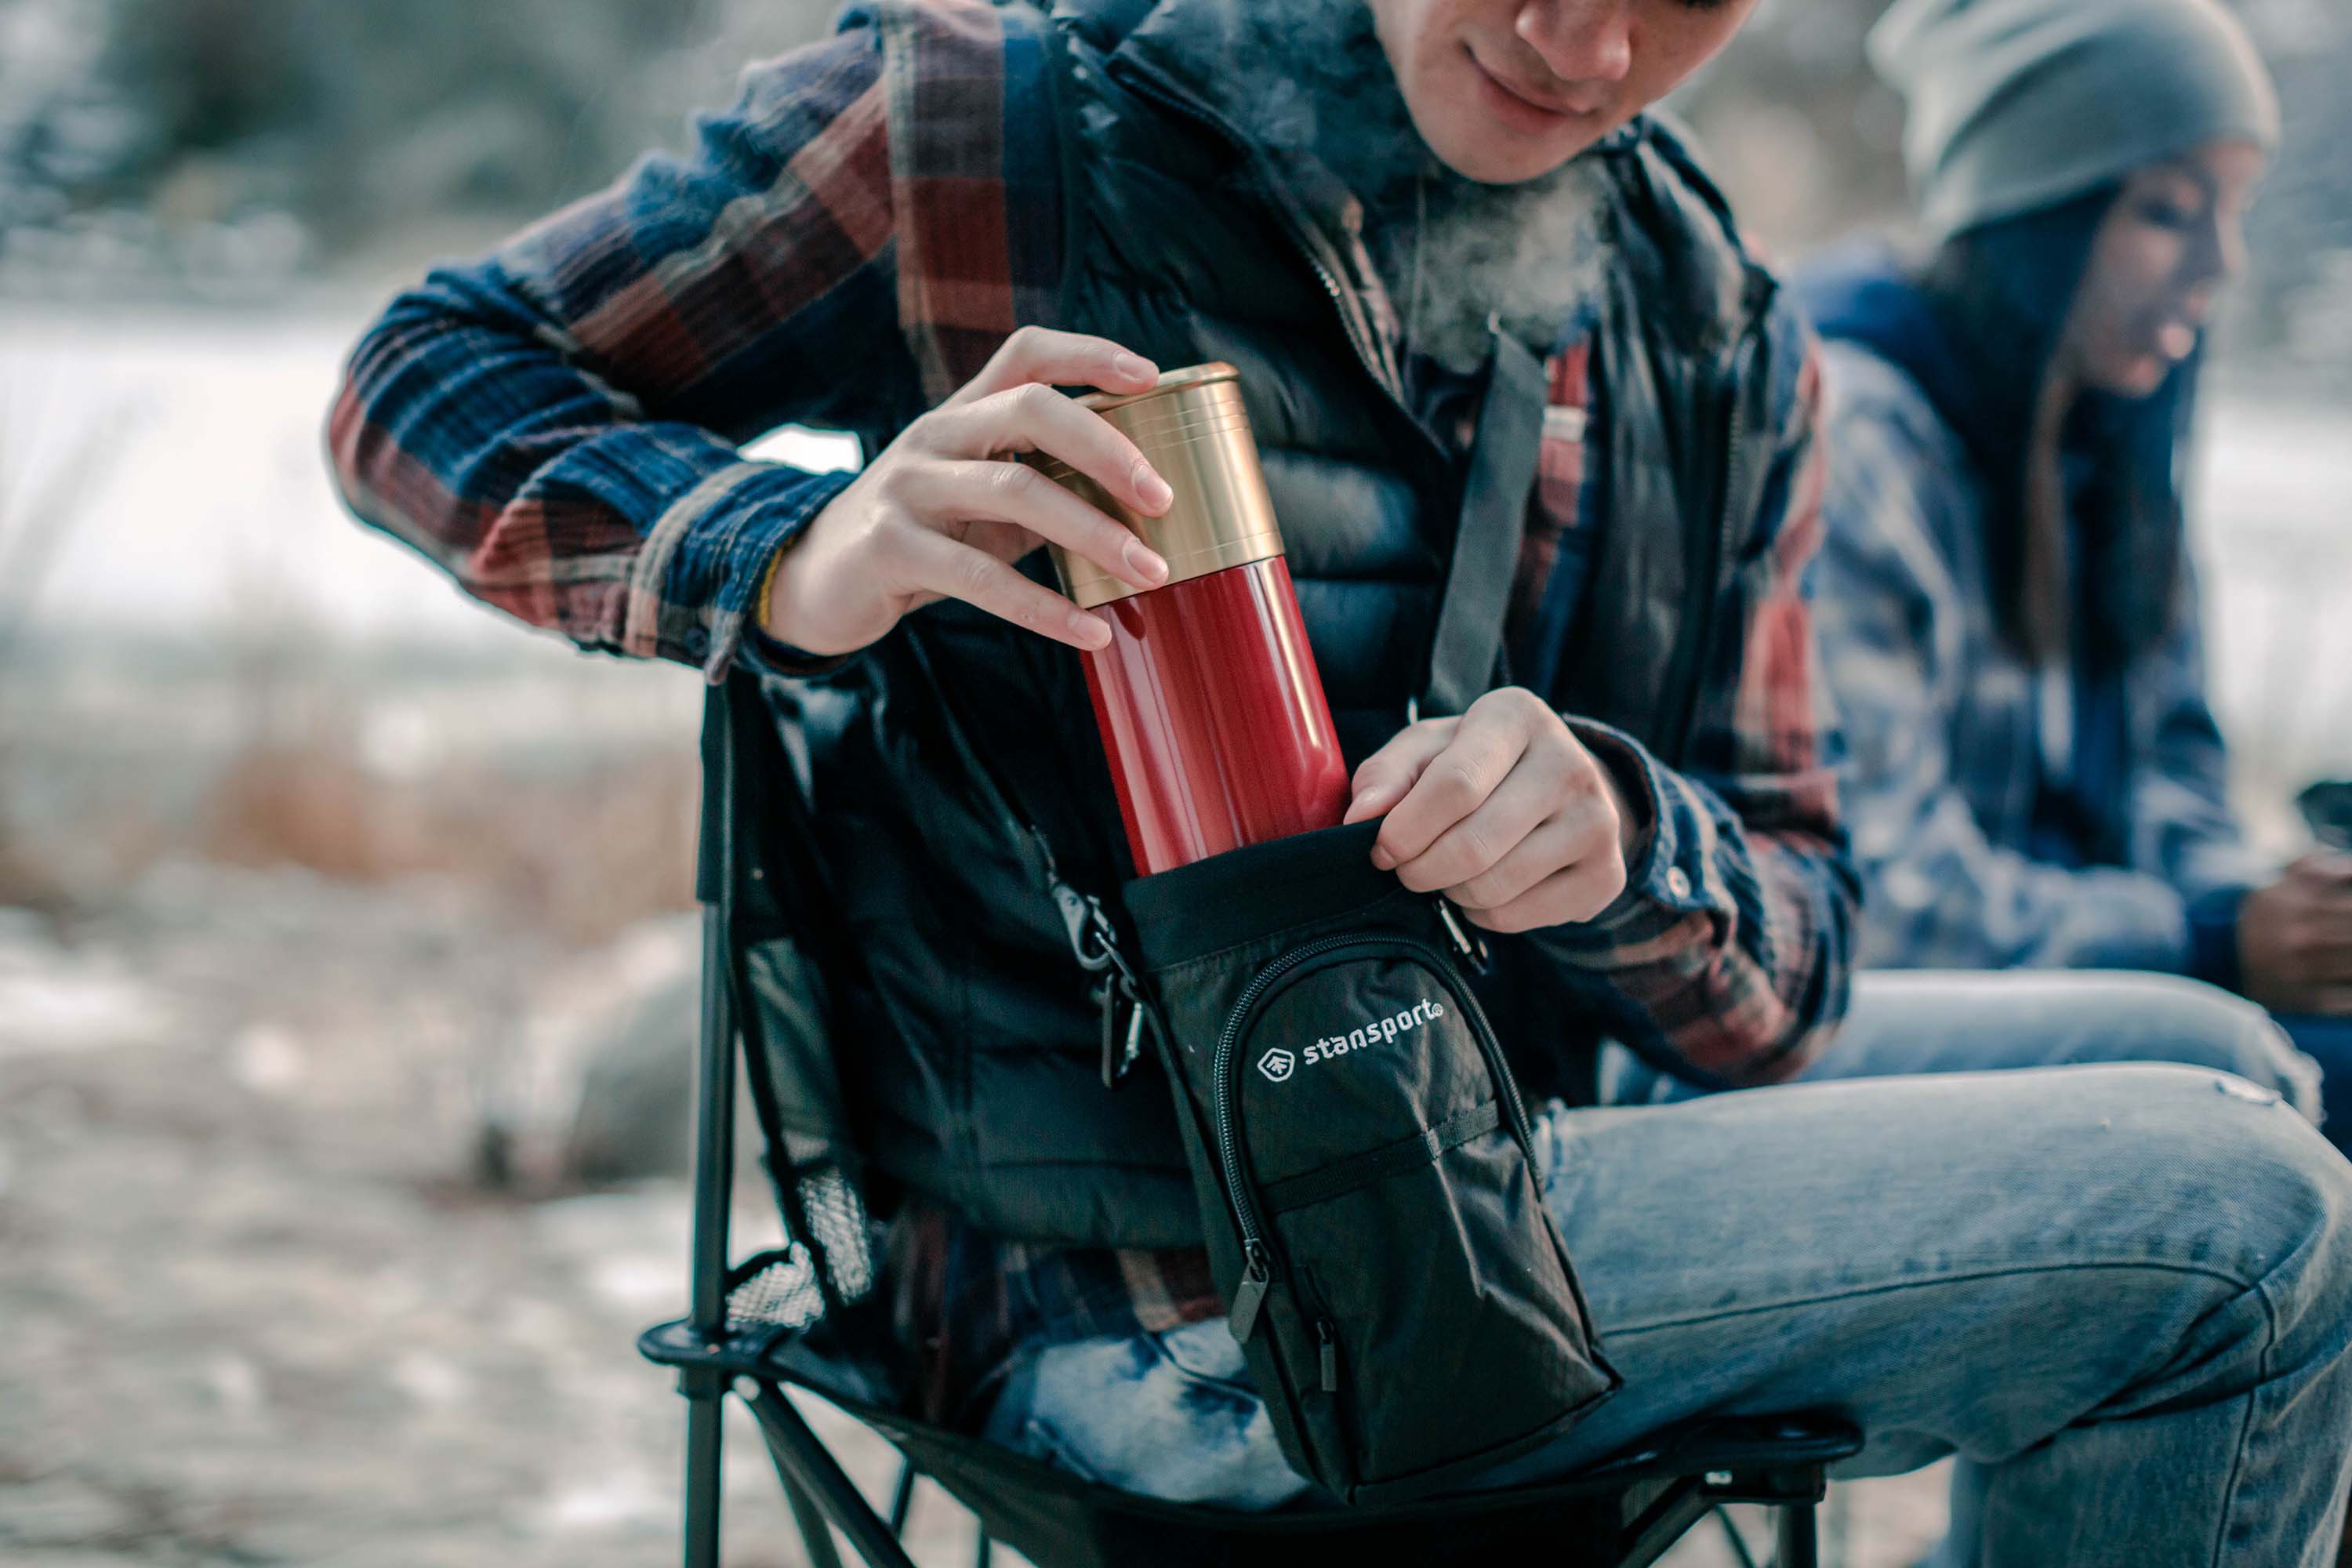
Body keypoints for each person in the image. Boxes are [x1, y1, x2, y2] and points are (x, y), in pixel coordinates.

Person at [325, 0, 2352, 1559]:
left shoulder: (1715, 329)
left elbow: (1794, 975)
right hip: (1158, 1297)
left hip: (1512, 1153)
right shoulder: (978, 133)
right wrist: (791, 556)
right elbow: (422, 377)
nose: (1590, 45)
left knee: (2229, 1062)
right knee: (2249, 1231)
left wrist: (1629, 851)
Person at [1803, 0, 2352, 1138]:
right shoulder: (1851, 439)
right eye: (2166, 211)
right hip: (1902, 1025)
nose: (2221, 265)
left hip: (2098, 966)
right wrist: (2205, 936)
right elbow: (1884, 893)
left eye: (2235, 212)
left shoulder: (2111, 439)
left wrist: (2274, 908)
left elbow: (2178, 763)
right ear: (2030, 212)